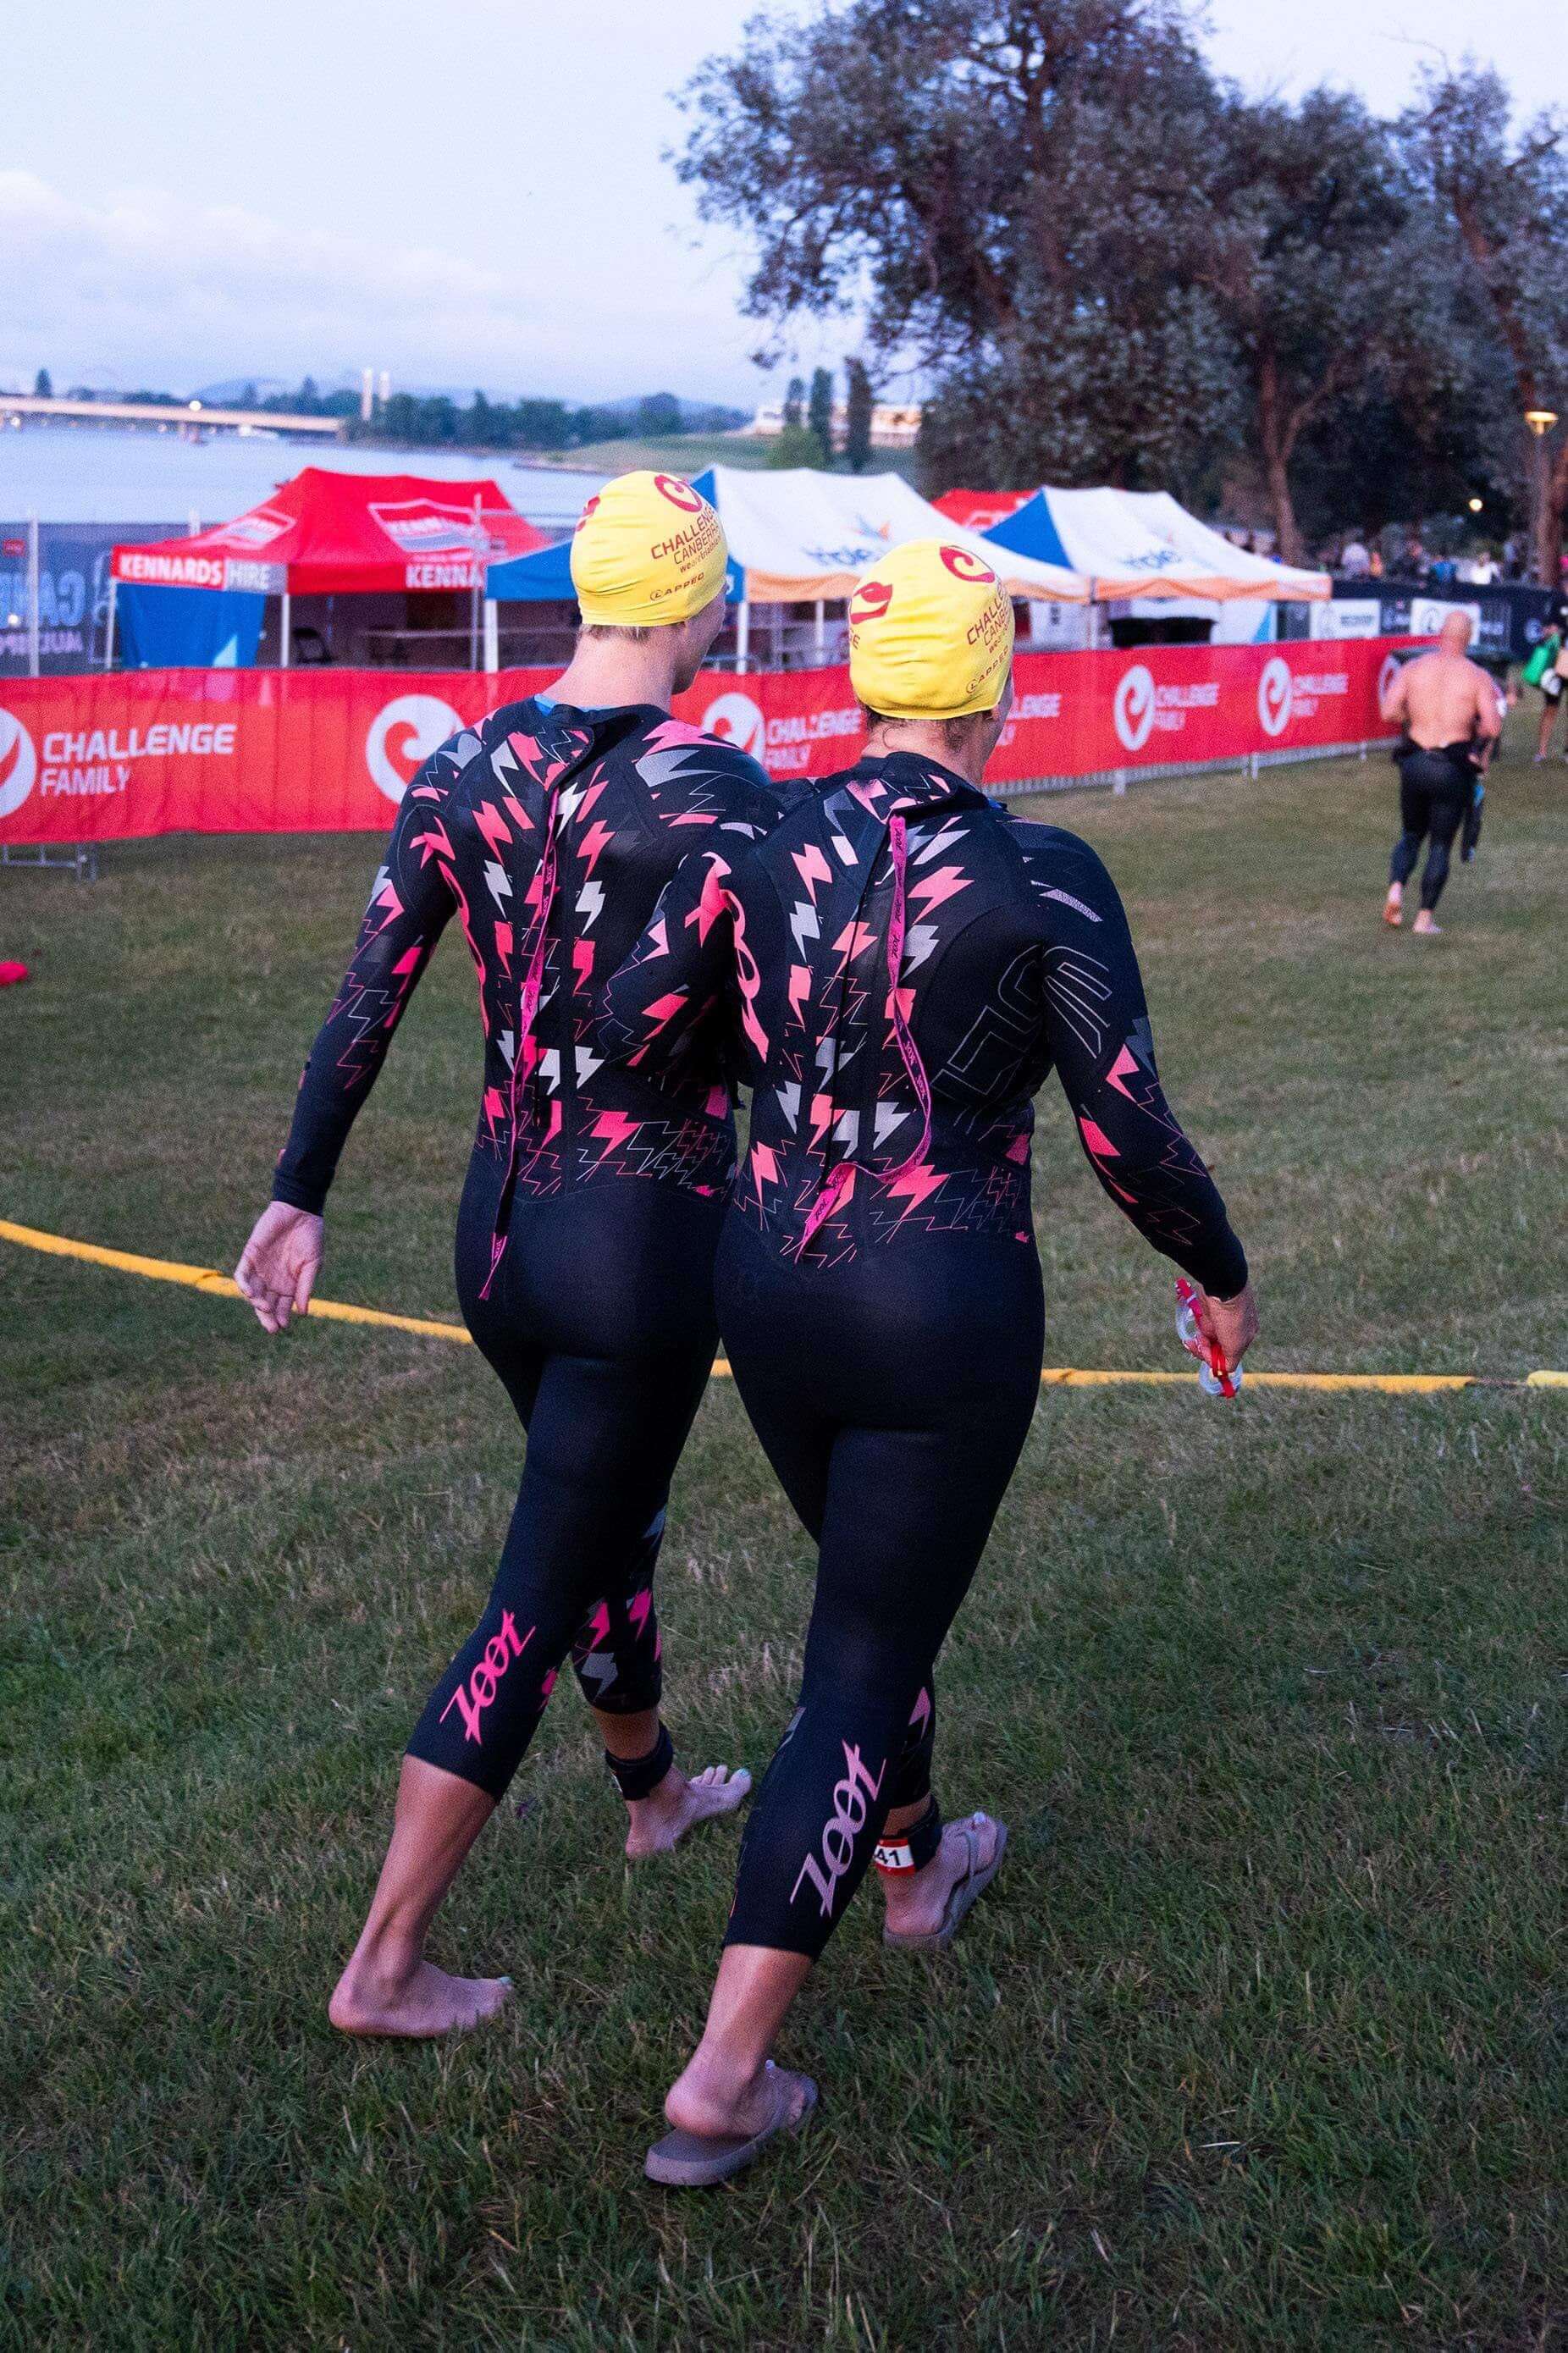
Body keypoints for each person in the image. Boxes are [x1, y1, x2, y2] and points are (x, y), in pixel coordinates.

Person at [599, 540, 1258, 2185]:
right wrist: (1217, 1272)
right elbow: (1127, 1128)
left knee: (862, 1602)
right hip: (940, 1296)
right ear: (998, 699)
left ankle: (913, 1862)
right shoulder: (1042, 875)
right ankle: (722, 2070)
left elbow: (632, 1037)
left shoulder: (754, 845)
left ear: (866, 684)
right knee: (859, 1659)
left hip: (771, 1280)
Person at [234, 472, 781, 2037]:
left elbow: (368, 991)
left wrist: (300, 1187)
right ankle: (385, 1960)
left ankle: (655, 1790)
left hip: (496, 1227)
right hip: (636, 1229)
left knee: (601, 1506)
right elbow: (787, 1014)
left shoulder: (464, 764)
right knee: (542, 1578)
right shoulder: (717, 785)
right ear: (695, 604)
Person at [1380, 613, 1502, 934]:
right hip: (1451, 768)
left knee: (1410, 835)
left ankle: (1395, 888)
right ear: (1468, 637)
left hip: (1415, 762)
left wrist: (1416, 717)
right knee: (1440, 844)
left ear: (1440, 634)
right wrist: (1475, 734)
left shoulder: (1414, 668)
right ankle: (1424, 919)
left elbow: (1388, 711)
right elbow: (1492, 725)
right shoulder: (1477, 676)